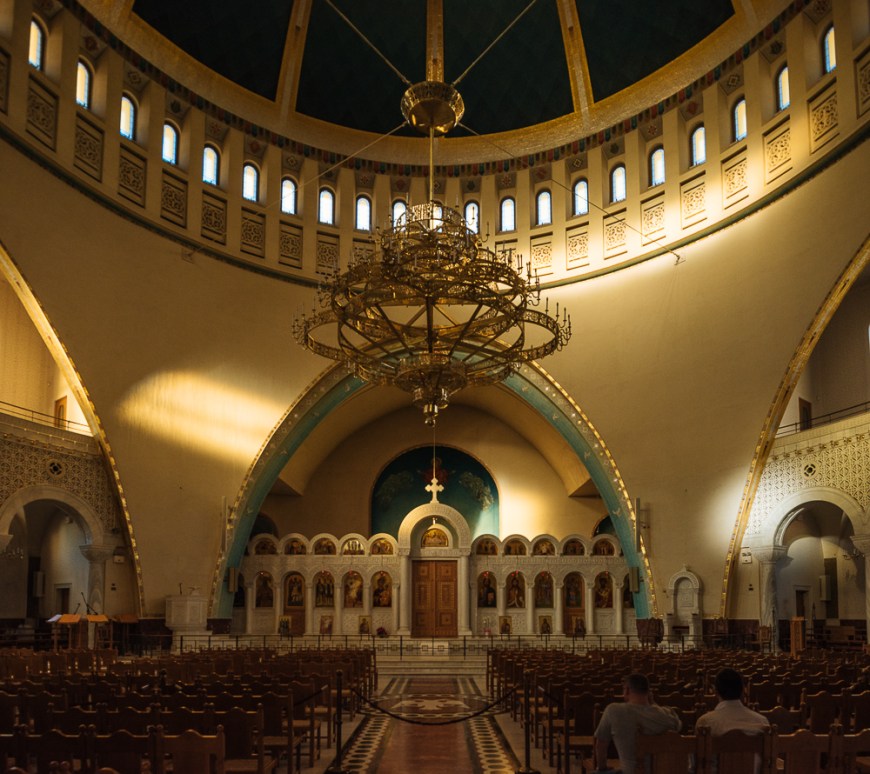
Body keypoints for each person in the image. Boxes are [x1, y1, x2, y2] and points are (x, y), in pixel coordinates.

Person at [592, 673, 681, 773]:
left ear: (627, 690)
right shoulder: (667, 716)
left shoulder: (613, 710)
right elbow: (678, 727)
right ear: (648, 693)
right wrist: (654, 704)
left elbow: (600, 744)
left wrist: (602, 768)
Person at [694, 668, 769, 773]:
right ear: (743, 690)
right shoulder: (762, 722)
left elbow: (696, 765)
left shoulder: (705, 722)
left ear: (716, 691)